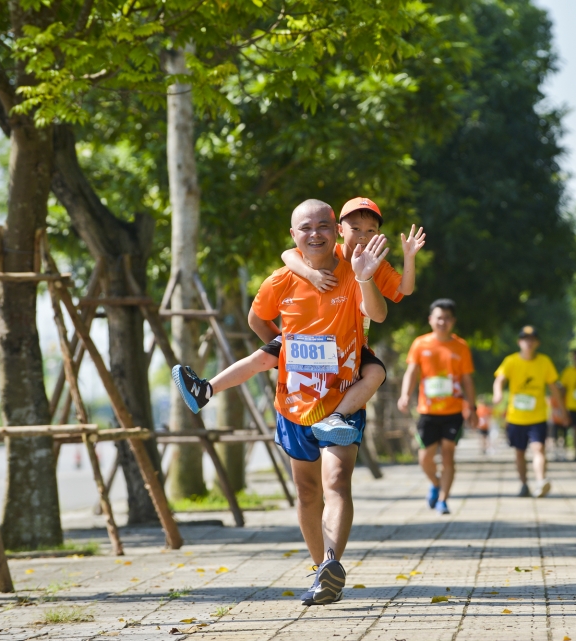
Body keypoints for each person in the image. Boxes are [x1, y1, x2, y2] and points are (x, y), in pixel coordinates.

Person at [177, 199, 388, 605]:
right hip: (293, 405)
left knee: (337, 483)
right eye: (306, 228)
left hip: (340, 402)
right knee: (307, 492)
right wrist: (284, 346)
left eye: (324, 226)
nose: (315, 234)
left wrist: (364, 280)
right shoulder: (280, 280)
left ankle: (332, 561)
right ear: (294, 235)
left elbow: (377, 315)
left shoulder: (354, 270)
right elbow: (258, 320)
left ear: (336, 231)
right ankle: (321, 574)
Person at [171, 196, 425, 444]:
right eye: (355, 228)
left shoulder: (372, 266)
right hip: (303, 340)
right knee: (259, 359)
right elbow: (288, 255)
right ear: (339, 231)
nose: (362, 235)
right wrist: (311, 275)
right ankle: (205, 390)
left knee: (376, 371)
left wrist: (407, 258)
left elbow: (401, 292)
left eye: (371, 230)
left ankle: (337, 416)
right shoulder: (324, 252)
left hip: (349, 341)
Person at [397, 299, 477, 516]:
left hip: (453, 411)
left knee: (449, 455)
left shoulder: (460, 346)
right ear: (431, 320)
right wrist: (405, 395)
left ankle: (443, 500)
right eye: (439, 318)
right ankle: (436, 483)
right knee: (425, 458)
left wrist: (472, 406)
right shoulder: (420, 344)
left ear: (453, 321)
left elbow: (467, 379)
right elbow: (412, 372)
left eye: (447, 318)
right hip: (428, 411)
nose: (443, 322)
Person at [493, 326, 567, 498]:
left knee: (538, 448)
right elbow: (499, 380)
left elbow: (554, 388)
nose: (528, 342)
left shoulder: (544, 362)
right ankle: (524, 483)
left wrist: (562, 410)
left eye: (532, 339)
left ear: (537, 343)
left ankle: (541, 482)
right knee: (519, 452)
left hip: (538, 416)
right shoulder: (510, 361)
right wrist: (497, 394)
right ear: (519, 342)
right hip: (516, 417)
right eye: (525, 339)